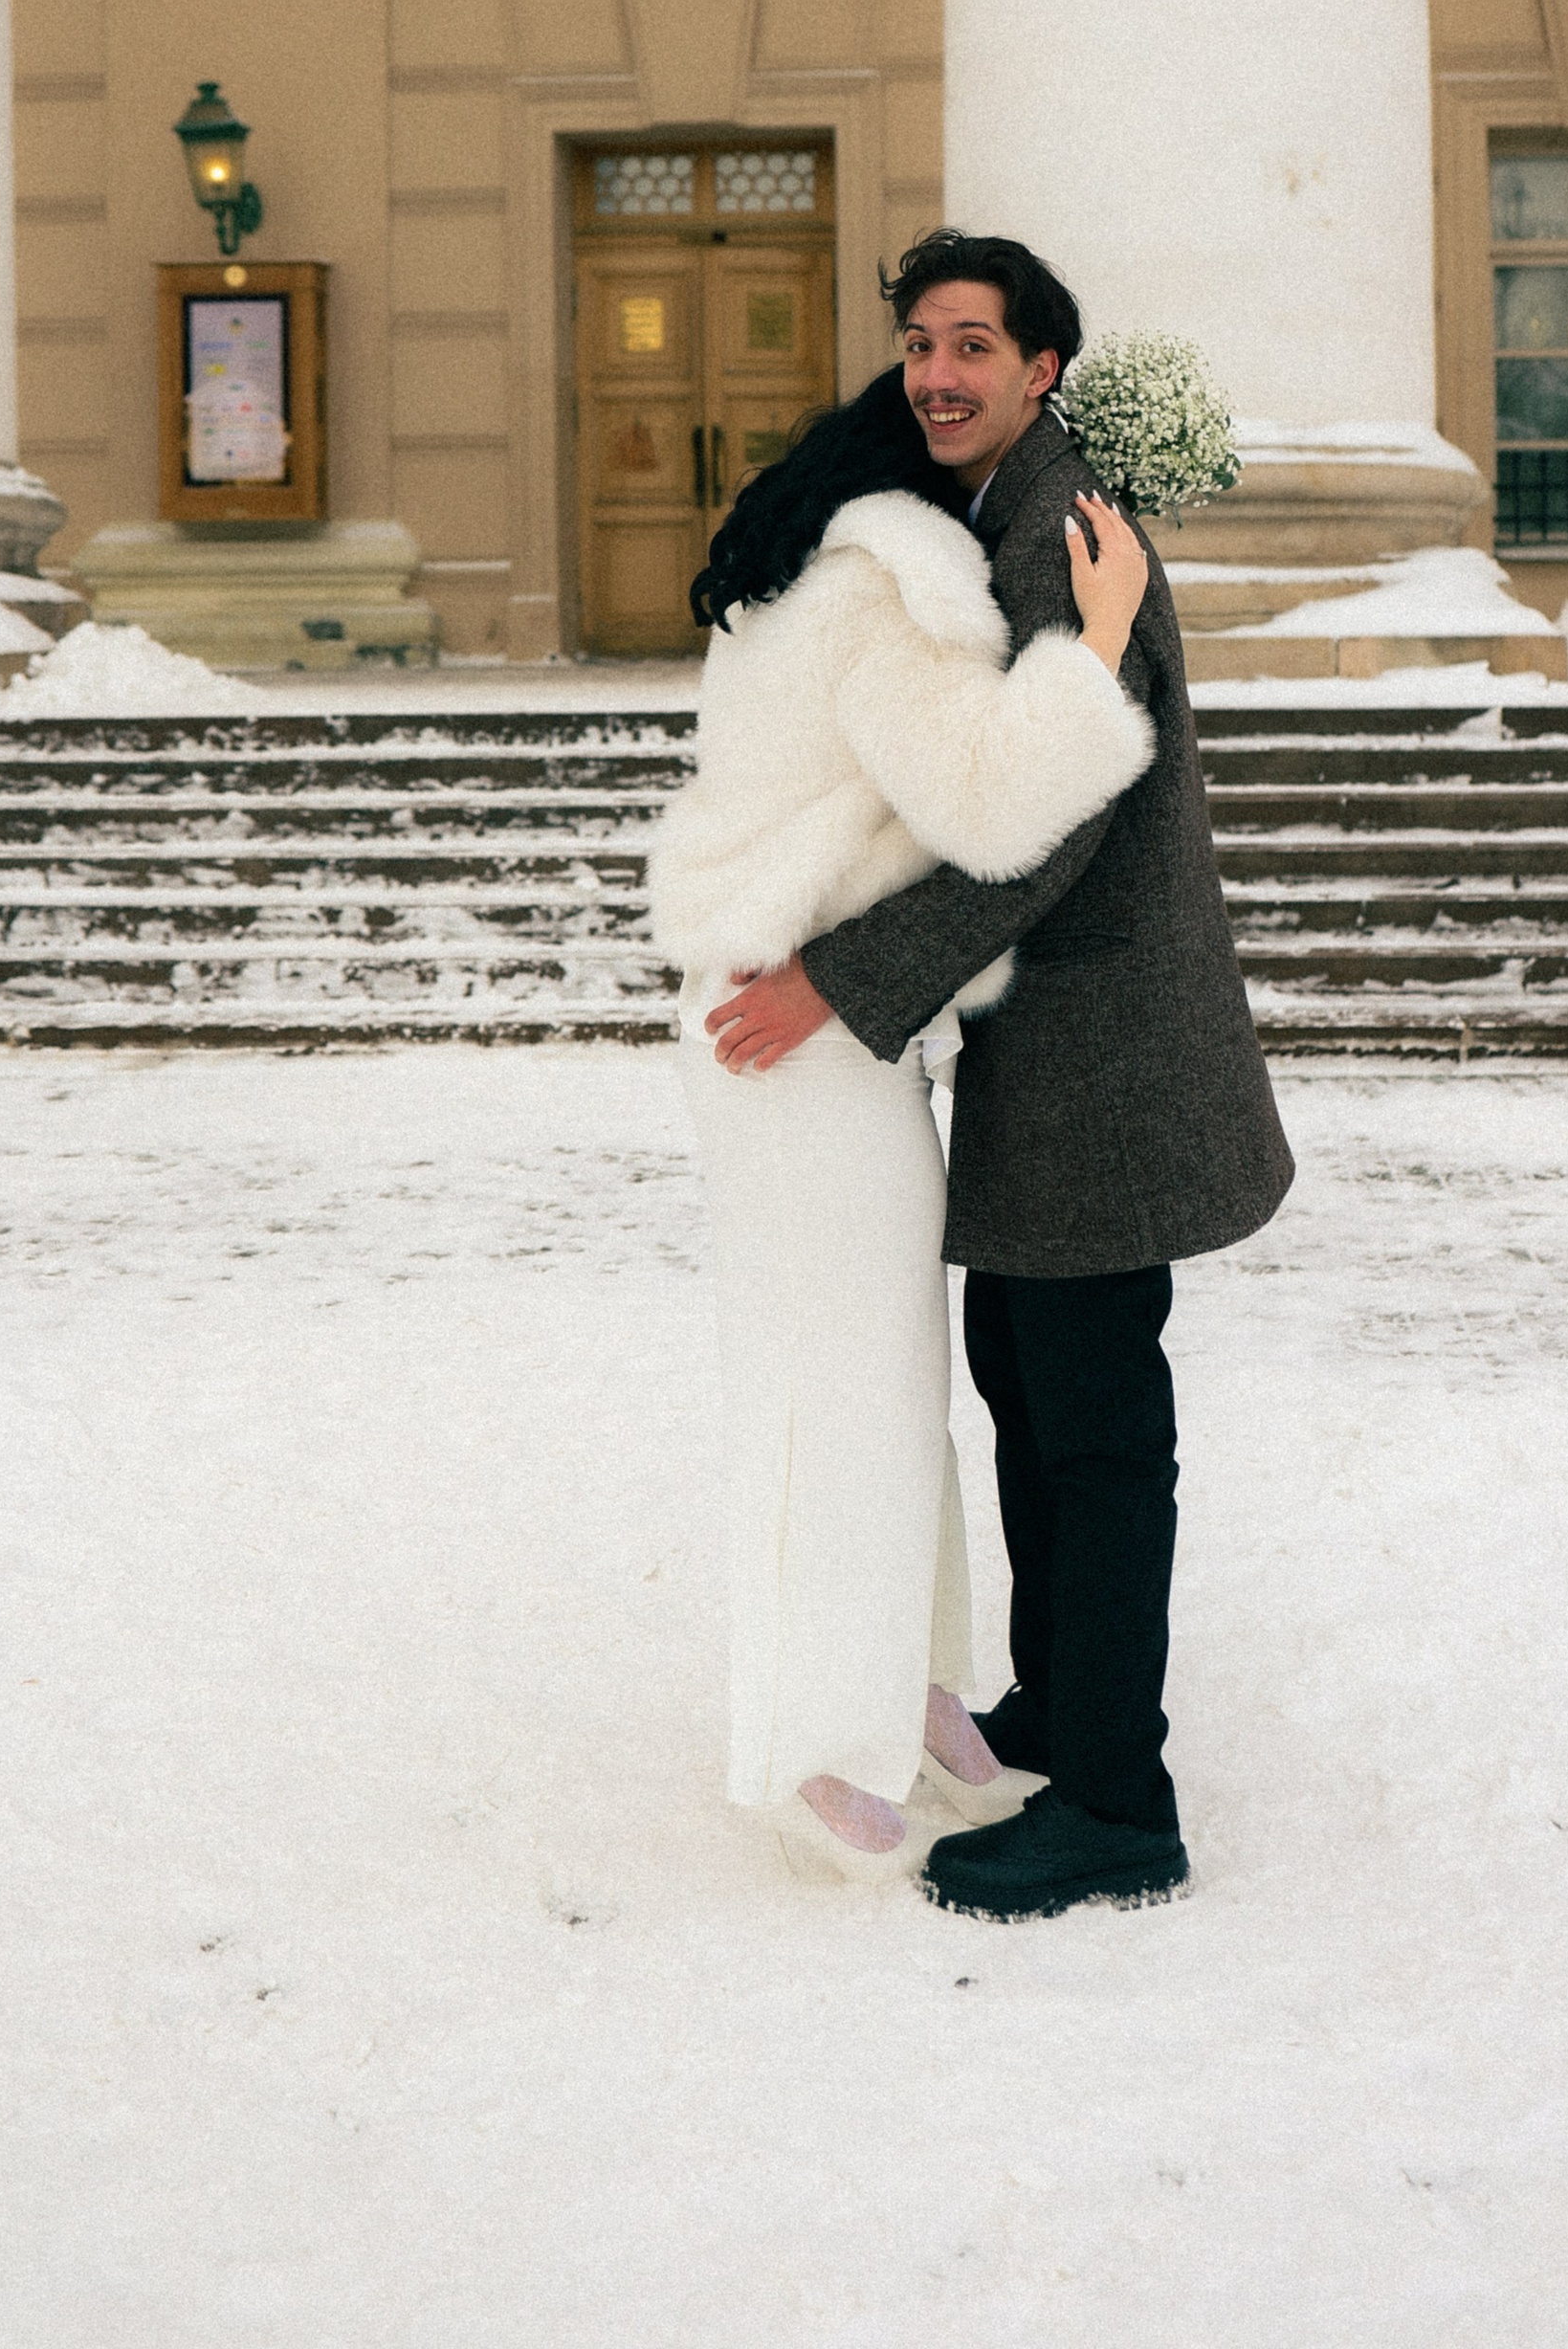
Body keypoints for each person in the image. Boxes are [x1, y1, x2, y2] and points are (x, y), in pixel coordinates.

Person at [705, 232, 1294, 1920]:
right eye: (919, 344)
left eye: (973, 345)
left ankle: (1118, 1803)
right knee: (1031, 1396)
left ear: (1043, 368)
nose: (937, 374)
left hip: (1109, 1056)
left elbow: (1041, 829)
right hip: (1057, 1056)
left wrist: (839, 983)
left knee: (1091, 1429)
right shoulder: (1013, 514)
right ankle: (1068, 1706)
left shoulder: (1056, 534)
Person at [649, 364, 1158, 1881]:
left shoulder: (796, 581)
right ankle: (819, 1735)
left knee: (879, 1379)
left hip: (788, 1017)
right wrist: (1099, 644)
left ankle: (909, 1688)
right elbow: (993, 805)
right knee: (839, 1389)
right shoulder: (888, 589)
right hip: (798, 1032)